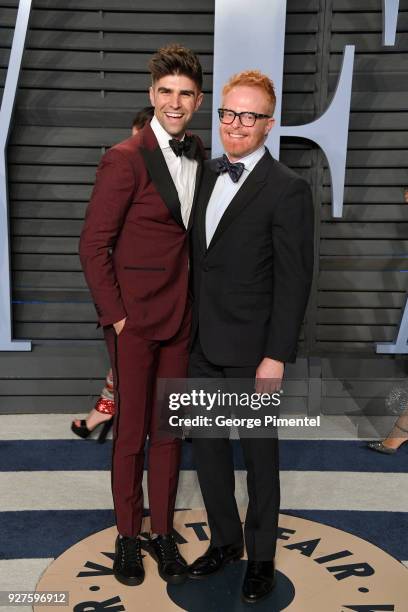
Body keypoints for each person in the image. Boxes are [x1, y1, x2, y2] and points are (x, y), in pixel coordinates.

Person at [79, 45, 204, 586]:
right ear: (152, 95)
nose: (175, 102)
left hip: (181, 318)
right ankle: (128, 539)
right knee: (131, 434)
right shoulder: (124, 157)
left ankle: (161, 536)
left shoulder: (198, 153)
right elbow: (92, 245)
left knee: (170, 435)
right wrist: (118, 318)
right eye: (166, 92)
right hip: (133, 324)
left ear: (196, 101)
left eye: (185, 94)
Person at [187, 70, 314, 604]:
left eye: (249, 116)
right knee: (209, 452)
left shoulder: (288, 189)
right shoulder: (204, 173)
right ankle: (224, 542)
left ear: (269, 123)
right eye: (227, 113)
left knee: (260, 460)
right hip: (198, 343)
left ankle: (261, 557)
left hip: (253, 352)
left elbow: (294, 280)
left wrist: (275, 357)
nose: (235, 125)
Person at [71, 107, 154, 443]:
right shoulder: (120, 168)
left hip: (173, 288)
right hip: (127, 288)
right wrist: (115, 314)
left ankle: (119, 410)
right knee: (129, 359)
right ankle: (111, 407)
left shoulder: (183, 172)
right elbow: (94, 243)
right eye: (134, 138)